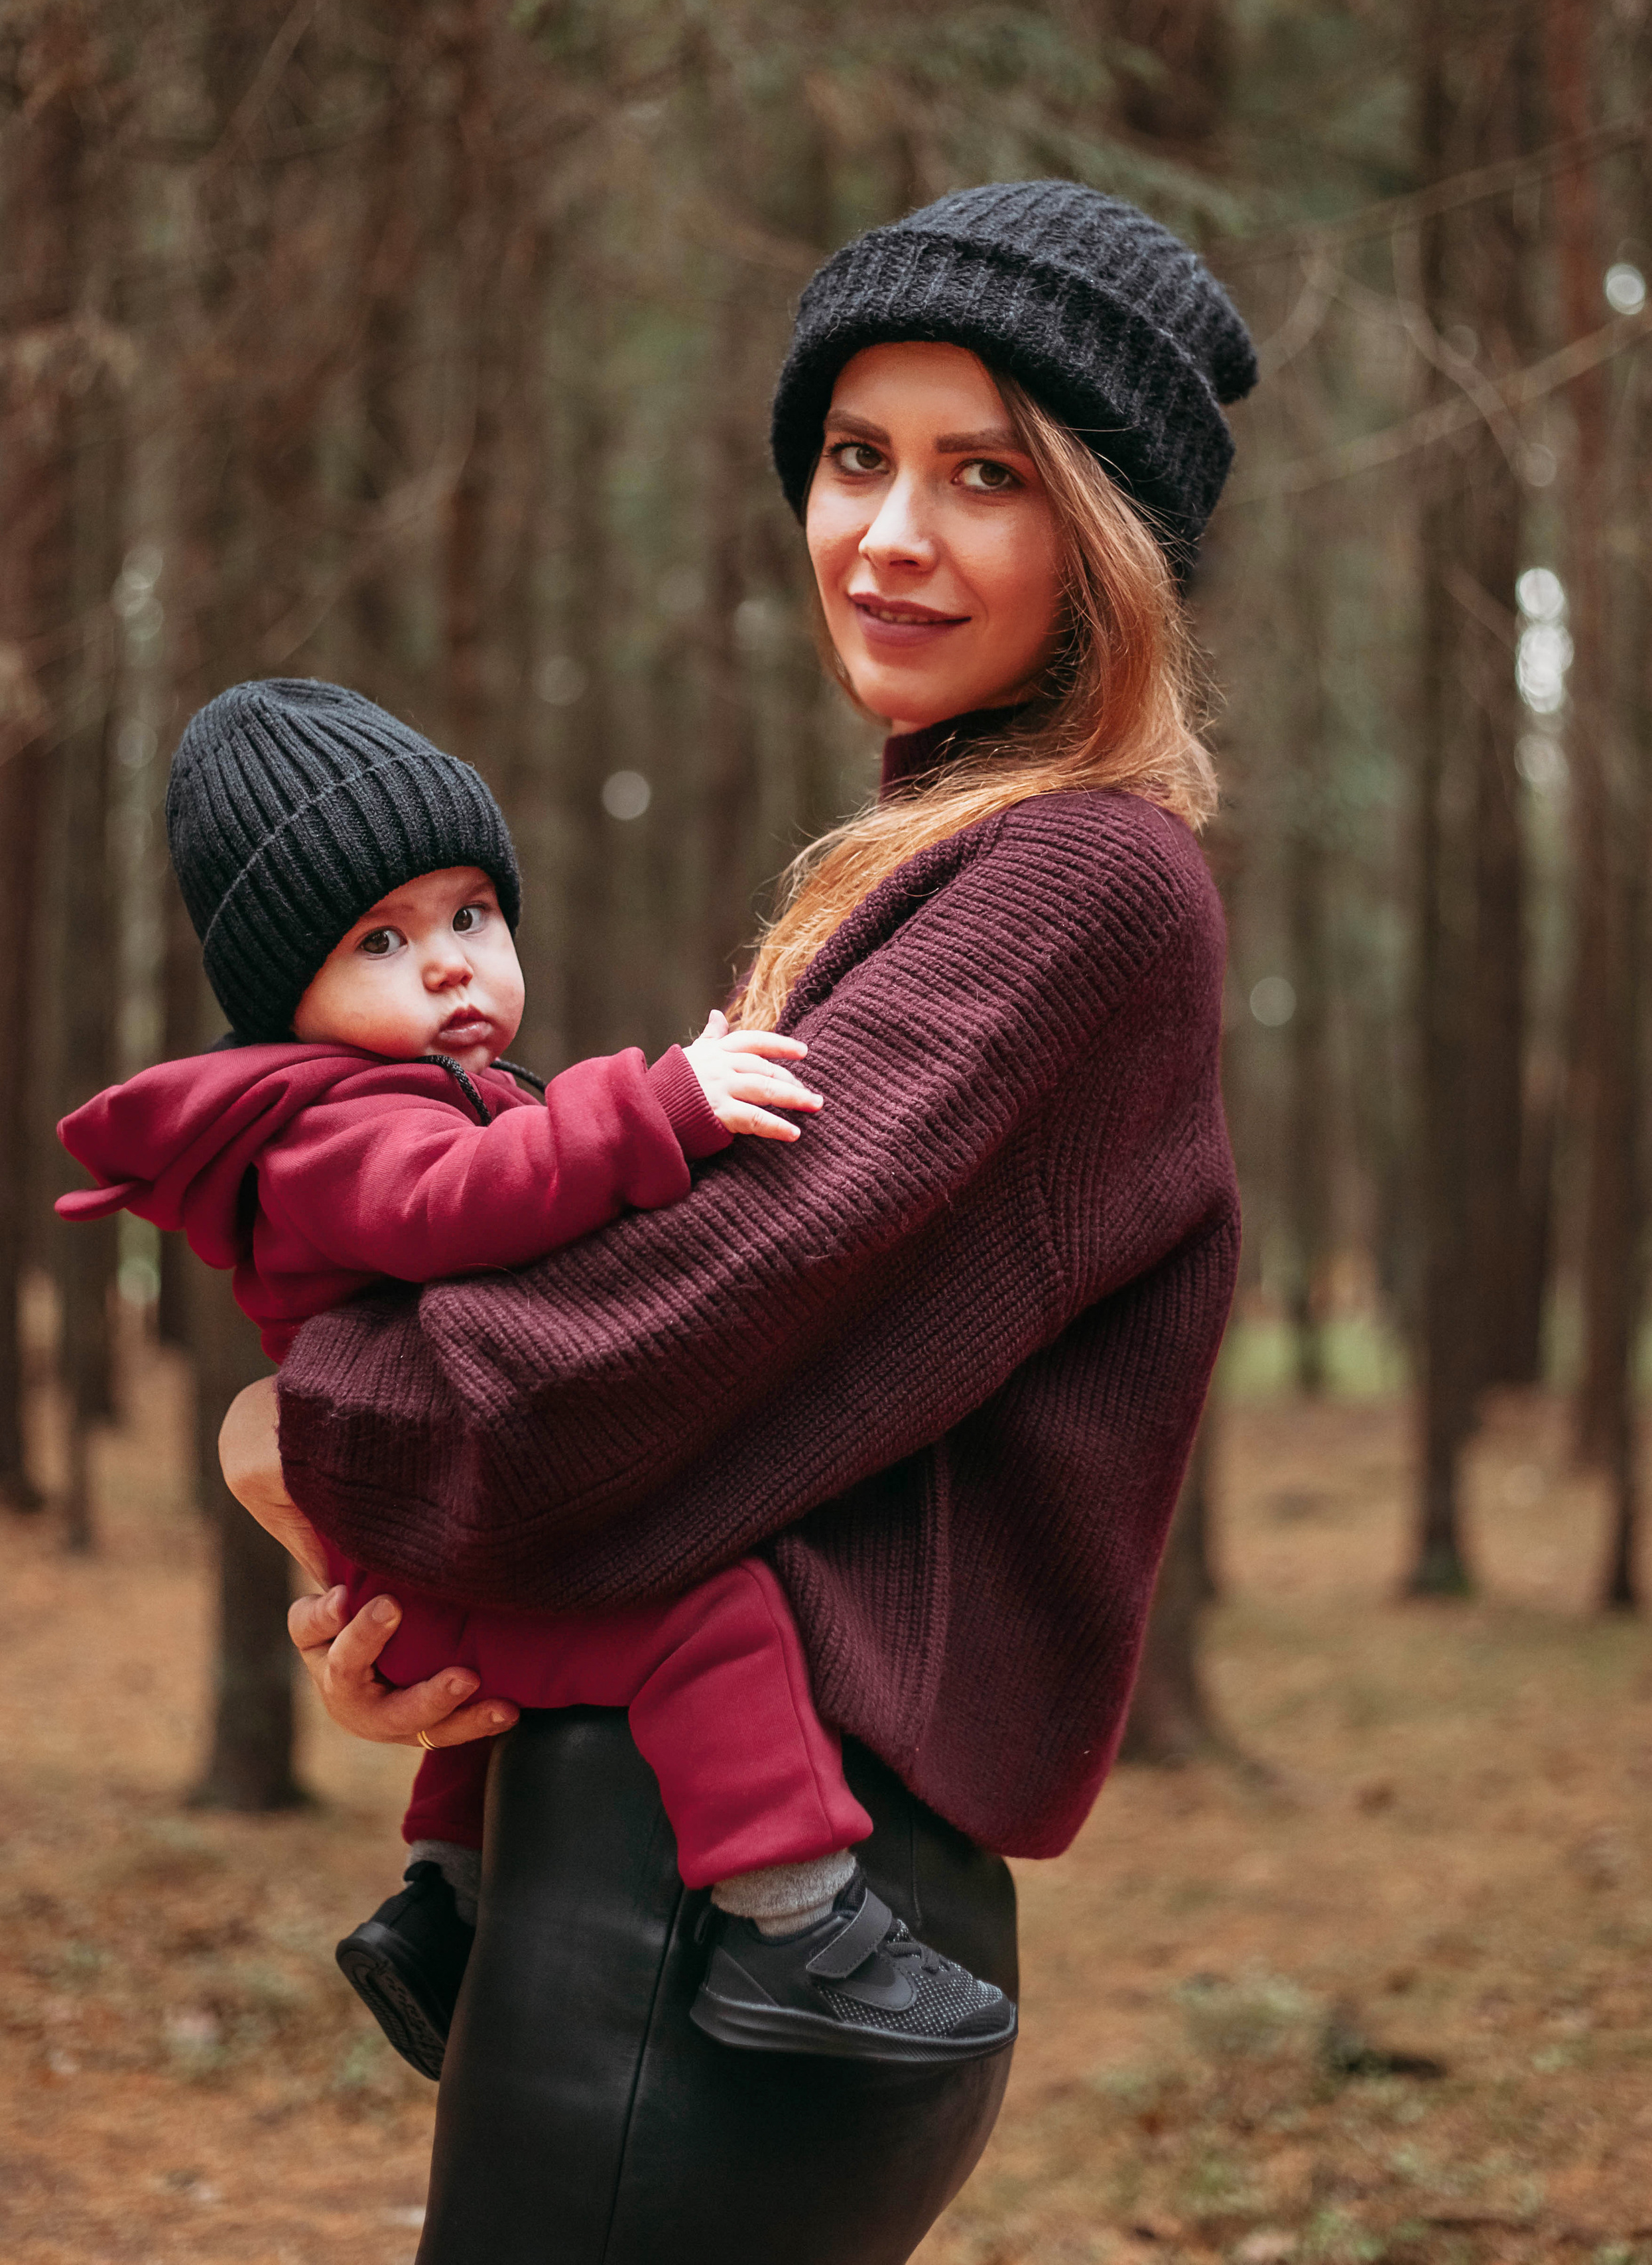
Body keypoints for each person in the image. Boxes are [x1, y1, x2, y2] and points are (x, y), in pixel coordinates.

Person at [221, 179, 1255, 2265]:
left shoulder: (1079, 887)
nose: (889, 533)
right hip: (687, 1878)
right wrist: (426, 1606)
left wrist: (310, 1447)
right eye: (856, 458)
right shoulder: (932, 863)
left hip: (738, 1913)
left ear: (1105, 539)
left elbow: (662, 1338)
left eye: (987, 476)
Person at [56, 678, 1015, 2081]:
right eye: (379, 940)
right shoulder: (333, 1127)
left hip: (446, 1532)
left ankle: (443, 1911)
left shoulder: (446, 1093)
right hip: (446, 1526)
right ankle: (792, 1933)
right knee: (708, 1622)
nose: (448, 965)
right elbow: (459, 1205)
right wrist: (660, 1104)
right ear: (290, 1001)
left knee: (504, 1709)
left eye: (468, 916)